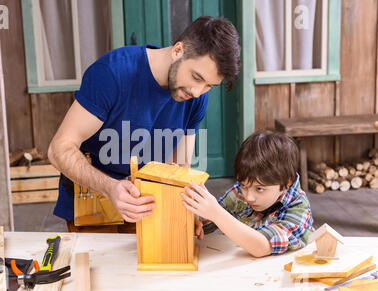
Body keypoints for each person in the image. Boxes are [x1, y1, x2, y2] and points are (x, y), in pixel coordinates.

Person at [48, 16, 242, 232]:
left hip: (146, 204)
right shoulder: (112, 74)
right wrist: (110, 188)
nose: (198, 92)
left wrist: (187, 212)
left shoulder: (196, 97)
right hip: (93, 201)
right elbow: (59, 149)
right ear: (178, 50)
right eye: (196, 77)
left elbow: (180, 167)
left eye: (209, 86)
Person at [181, 130, 314, 257]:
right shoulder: (241, 191)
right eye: (244, 185)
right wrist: (196, 211)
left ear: (287, 183)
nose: (248, 197)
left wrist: (216, 213)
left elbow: (262, 246)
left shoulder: (299, 209)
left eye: (259, 189)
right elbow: (208, 221)